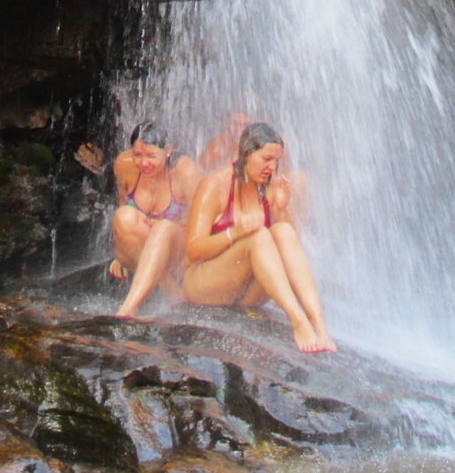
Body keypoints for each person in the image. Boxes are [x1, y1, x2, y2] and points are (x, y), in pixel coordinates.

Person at [182, 121, 335, 354]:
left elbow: (291, 249)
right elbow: (193, 250)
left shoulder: (272, 185)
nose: (272, 168)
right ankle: (298, 321)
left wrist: (282, 211)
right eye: (266, 160)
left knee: (282, 231)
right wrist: (235, 233)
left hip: (247, 293)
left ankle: (319, 325)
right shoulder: (215, 184)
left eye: (277, 161)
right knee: (259, 236)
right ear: (246, 154)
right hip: (206, 284)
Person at [111, 121, 201, 319]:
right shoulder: (123, 165)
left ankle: (128, 310)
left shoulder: (184, 171)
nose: (143, 163)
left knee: (163, 227)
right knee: (123, 216)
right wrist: (119, 255)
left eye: (151, 156)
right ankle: (169, 288)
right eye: (137, 155)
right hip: (136, 251)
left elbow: (199, 225)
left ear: (168, 150)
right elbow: (122, 206)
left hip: (174, 252)